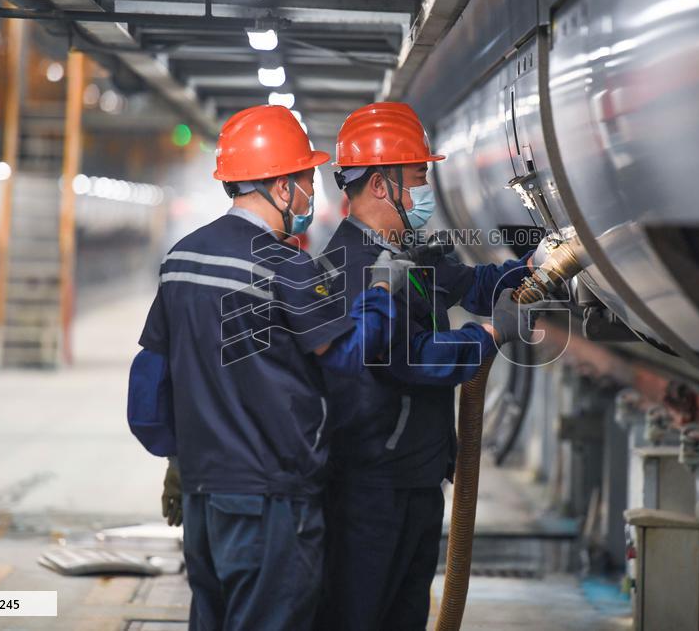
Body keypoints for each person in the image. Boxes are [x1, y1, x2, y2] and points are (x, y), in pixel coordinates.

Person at [127, 105, 415, 631]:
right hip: (272, 502)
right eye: (305, 181)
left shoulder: (182, 260)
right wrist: (380, 294)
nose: (309, 194)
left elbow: (148, 387)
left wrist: (178, 458)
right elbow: (348, 357)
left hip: (202, 498)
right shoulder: (285, 266)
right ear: (282, 187)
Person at [316, 102, 542, 631]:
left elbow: (474, 287)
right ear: (380, 185)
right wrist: (485, 338)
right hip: (371, 482)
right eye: (418, 177)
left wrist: (534, 267)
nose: (426, 191)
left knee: (405, 613)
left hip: (416, 473)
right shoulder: (349, 268)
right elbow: (406, 357)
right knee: (359, 616)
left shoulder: (409, 254)